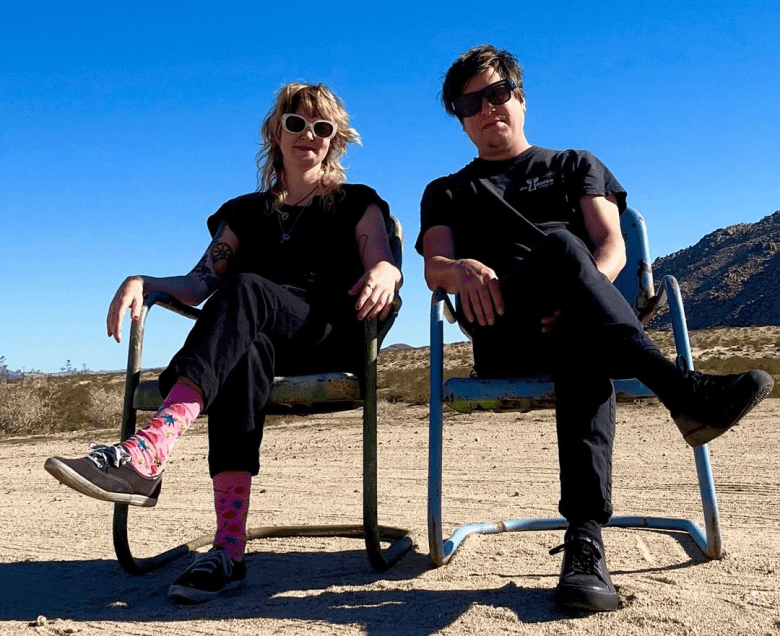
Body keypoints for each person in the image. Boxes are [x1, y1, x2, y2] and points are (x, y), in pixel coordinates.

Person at [416, 45, 773, 613]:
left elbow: (612, 246)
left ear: (521, 97)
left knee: (580, 335)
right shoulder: (447, 190)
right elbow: (434, 265)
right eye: (469, 102)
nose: (487, 108)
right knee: (559, 244)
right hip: (504, 326)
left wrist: (581, 298)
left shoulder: (574, 163)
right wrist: (457, 270)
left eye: (498, 93)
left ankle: (585, 543)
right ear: (460, 119)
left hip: (578, 323)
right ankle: (681, 390)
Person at [45, 82, 402, 604]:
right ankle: (228, 550)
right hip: (262, 336)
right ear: (275, 131)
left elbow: (381, 261)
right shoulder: (244, 212)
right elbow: (199, 284)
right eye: (297, 123)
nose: (309, 135)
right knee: (243, 351)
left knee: (247, 290)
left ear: (334, 140)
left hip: (332, 331)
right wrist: (145, 282)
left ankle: (150, 449)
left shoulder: (355, 202)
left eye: (322, 128)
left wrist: (388, 271)